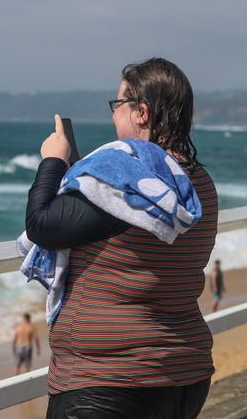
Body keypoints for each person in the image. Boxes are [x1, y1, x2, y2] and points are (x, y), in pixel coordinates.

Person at [23, 58, 217, 418]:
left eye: (118, 105)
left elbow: (42, 224)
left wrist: (53, 161)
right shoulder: (197, 181)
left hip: (110, 382)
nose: (114, 117)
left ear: (141, 112)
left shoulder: (130, 178)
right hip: (183, 372)